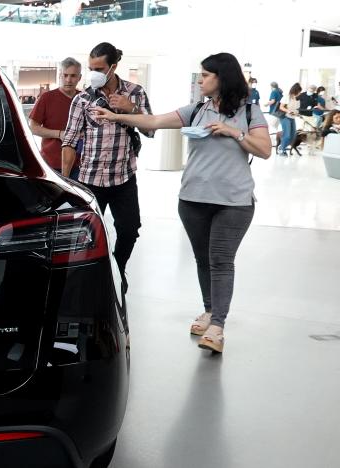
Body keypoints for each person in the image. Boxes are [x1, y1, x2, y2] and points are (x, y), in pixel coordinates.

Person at [92, 52, 272, 353]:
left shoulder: (250, 112)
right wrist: (116, 117)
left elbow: (265, 149)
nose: (200, 80)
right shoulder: (197, 110)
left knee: (221, 260)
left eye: (205, 75)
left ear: (221, 77)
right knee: (204, 260)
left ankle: (218, 327)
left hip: (234, 202)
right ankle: (209, 310)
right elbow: (154, 121)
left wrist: (234, 132)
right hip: (192, 199)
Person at [61, 42, 154, 294]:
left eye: (99, 68)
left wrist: (130, 109)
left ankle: (117, 267)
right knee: (82, 236)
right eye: (91, 68)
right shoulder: (82, 99)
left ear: (113, 67)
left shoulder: (135, 92)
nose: (94, 73)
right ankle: (84, 280)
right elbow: (69, 141)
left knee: (129, 230)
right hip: (90, 179)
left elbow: (151, 129)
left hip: (124, 178)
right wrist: (65, 182)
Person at [28, 57, 83, 178]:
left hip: (80, 164)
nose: (68, 79)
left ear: (80, 77)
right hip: (51, 164)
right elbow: (32, 127)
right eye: (65, 75)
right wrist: (59, 134)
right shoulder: (46, 98)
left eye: (73, 75)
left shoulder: (84, 99)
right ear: (60, 76)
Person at [277, 83, 301, 156]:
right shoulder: (287, 97)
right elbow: (281, 107)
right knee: (287, 135)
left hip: (292, 117)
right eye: (299, 91)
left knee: (293, 135)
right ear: (296, 90)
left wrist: (297, 113)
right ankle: (282, 150)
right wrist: (288, 111)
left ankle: (282, 147)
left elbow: (295, 108)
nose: (300, 93)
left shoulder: (295, 98)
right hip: (285, 117)